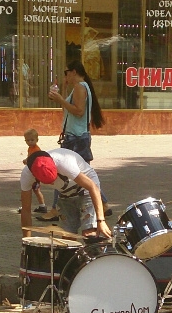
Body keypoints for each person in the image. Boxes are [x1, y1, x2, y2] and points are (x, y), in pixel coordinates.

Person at [44, 60, 111, 221]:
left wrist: (61, 99)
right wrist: (62, 96)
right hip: (75, 137)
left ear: (74, 72)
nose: (65, 75)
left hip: (76, 138)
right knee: (80, 174)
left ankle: (55, 209)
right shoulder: (78, 87)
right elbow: (69, 111)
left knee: (63, 172)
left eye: (67, 72)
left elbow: (79, 112)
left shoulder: (80, 87)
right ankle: (104, 204)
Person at [20, 148, 111, 240]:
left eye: (53, 179)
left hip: (86, 189)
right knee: (68, 237)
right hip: (65, 193)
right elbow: (26, 209)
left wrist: (101, 220)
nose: (52, 184)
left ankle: (99, 252)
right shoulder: (27, 175)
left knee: (89, 234)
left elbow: (92, 187)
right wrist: (26, 241)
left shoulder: (64, 162)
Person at [20, 128, 48, 213]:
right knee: (35, 190)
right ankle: (42, 206)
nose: (30, 142)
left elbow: (35, 159)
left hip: (35, 174)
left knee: (32, 189)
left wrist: (27, 161)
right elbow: (30, 157)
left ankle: (27, 207)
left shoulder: (36, 149)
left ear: (37, 140)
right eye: (27, 140)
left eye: (32, 140)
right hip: (32, 172)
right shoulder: (30, 148)